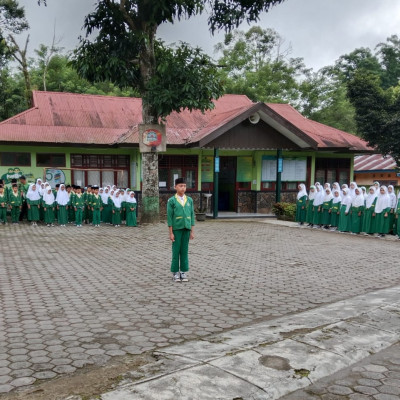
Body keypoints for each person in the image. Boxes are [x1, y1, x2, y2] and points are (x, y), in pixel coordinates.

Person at [167, 177, 195, 283]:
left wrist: (192, 231)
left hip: (186, 229)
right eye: (180, 186)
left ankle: (183, 271)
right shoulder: (172, 201)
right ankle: (175, 272)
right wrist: (171, 233)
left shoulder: (190, 200)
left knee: (184, 251)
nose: (183, 188)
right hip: (177, 229)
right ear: (175, 187)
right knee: (176, 251)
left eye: (184, 186)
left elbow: (192, 215)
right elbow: (170, 218)